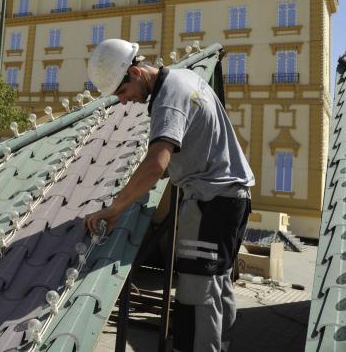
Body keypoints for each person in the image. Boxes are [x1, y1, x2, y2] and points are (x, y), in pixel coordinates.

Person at [82, 39, 254, 352]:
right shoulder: (183, 78)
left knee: (197, 293)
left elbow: (156, 164)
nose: (123, 102)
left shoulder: (168, 97)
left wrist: (115, 208)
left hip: (211, 203)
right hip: (230, 199)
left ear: (135, 72)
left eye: (122, 92)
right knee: (215, 285)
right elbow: (175, 156)